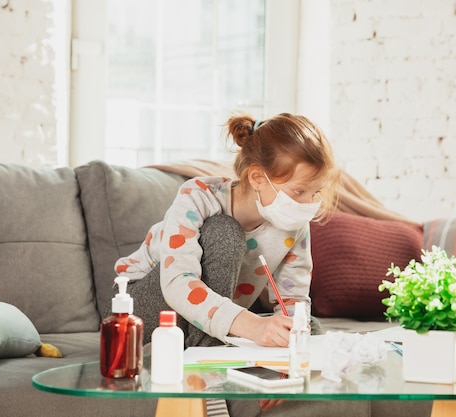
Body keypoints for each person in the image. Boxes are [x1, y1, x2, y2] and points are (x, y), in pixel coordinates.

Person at [110, 112, 340, 415]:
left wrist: (291, 367)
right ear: (258, 177)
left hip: (210, 319)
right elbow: (177, 285)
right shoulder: (198, 196)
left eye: (315, 192)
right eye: (298, 191)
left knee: (307, 326)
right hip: (138, 314)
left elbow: (292, 299)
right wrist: (253, 325)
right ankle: (206, 383)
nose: (308, 203)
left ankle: (224, 362)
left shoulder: (293, 222)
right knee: (224, 232)